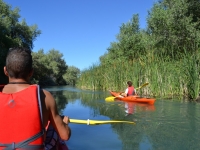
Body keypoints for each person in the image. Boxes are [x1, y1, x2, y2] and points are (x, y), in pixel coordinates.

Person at [0, 47, 71, 150]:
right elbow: (65, 135)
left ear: (5, 70)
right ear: (31, 72)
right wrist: (64, 123)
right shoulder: (45, 97)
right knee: (54, 127)